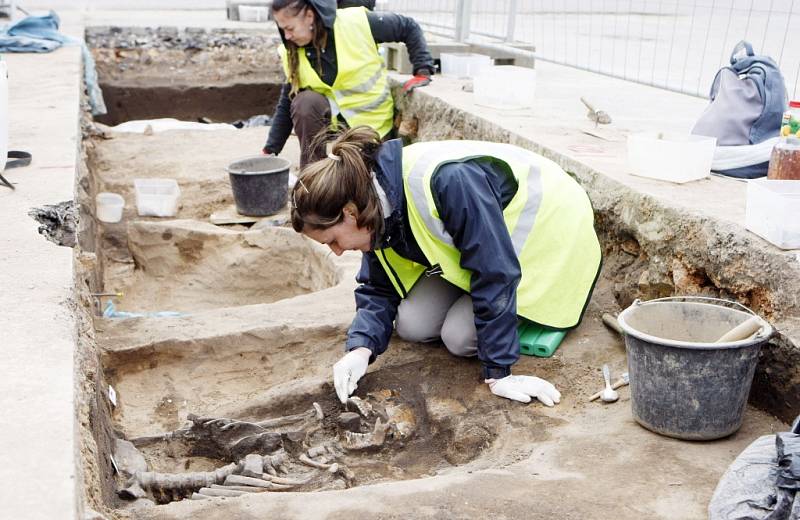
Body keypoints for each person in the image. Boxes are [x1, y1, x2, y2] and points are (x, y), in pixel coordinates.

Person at [290, 127, 602, 406]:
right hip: (487, 246)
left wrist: (499, 373)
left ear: (348, 212)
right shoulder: (373, 201)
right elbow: (378, 286)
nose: (338, 251)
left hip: (549, 238)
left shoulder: (449, 182)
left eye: (332, 240)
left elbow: (495, 272)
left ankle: (519, 320)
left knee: (459, 336)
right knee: (413, 325)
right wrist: (360, 350)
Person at [263, 0, 434, 167]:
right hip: (336, 127)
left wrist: (423, 69)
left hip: (372, 126)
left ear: (309, 16)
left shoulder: (355, 23)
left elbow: (408, 26)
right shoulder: (291, 51)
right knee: (304, 102)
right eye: (282, 29)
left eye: (290, 28)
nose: (286, 36)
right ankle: (314, 179)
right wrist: (271, 149)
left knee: (361, 180)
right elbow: (288, 100)